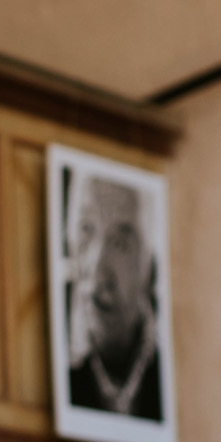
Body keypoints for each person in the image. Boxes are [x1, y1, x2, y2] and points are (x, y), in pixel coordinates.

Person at [66, 177, 162, 422]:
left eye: (120, 244)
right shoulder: (65, 371)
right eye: (86, 229)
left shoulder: (170, 378)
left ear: (149, 269)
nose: (98, 271)